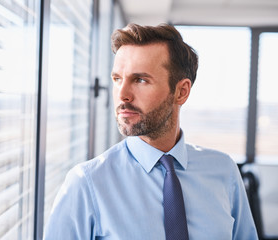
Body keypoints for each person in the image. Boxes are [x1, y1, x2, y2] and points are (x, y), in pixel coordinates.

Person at [44, 23, 258, 240]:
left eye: (141, 80)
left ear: (181, 92)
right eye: (117, 79)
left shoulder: (224, 171)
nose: (123, 95)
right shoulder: (86, 183)